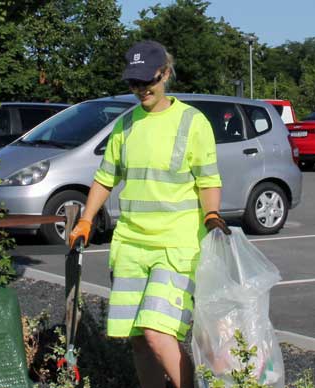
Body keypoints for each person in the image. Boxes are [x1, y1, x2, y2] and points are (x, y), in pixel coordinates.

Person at [68, 40, 230, 388]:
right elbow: (105, 178)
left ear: (166, 74)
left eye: (148, 82)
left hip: (176, 246)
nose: (141, 90)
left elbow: (208, 179)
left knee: (158, 333)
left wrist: (212, 214)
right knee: (139, 338)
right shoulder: (125, 125)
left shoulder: (192, 122)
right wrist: (85, 219)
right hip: (131, 247)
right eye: (133, 83)